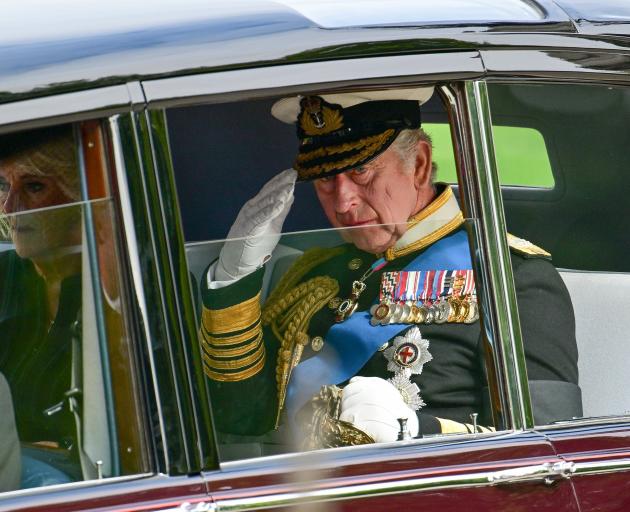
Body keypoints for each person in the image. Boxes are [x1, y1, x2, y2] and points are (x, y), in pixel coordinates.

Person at [200, 88, 581, 447]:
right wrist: (235, 278)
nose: (343, 201)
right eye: (327, 179)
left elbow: (550, 447)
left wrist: (416, 431)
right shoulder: (314, 274)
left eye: (362, 171)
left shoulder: (509, 276)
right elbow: (238, 418)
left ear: (418, 164)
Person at [0, 125, 83, 482]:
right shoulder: (4, 274)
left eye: (33, 187)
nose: (9, 206)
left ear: (77, 196)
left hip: (77, 478)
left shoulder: (119, 284)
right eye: (4, 186)